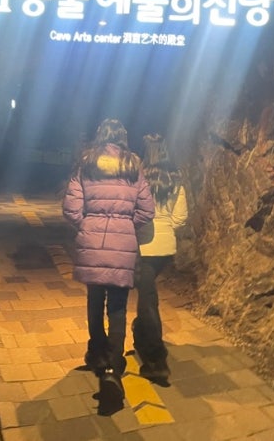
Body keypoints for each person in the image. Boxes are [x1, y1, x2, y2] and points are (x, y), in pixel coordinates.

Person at [62, 119, 155, 415]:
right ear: (123, 138)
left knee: (94, 300)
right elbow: (147, 210)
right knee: (117, 308)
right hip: (122, 246)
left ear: (100, 136)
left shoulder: (86, 164)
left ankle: (98, 353)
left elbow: (71, 209)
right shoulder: (134, 167)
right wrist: (125, 225)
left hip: (91, 243)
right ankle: (114, 369)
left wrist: (87, 224)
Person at [133, 133, 188, 386]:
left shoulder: (140, 181)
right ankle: (142, 336)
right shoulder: (176, 183)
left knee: (148, 302)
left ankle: (157, 360)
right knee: (147, 296)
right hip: (165, 248)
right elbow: (180, 218)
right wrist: (166, 227)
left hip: (145, 247)